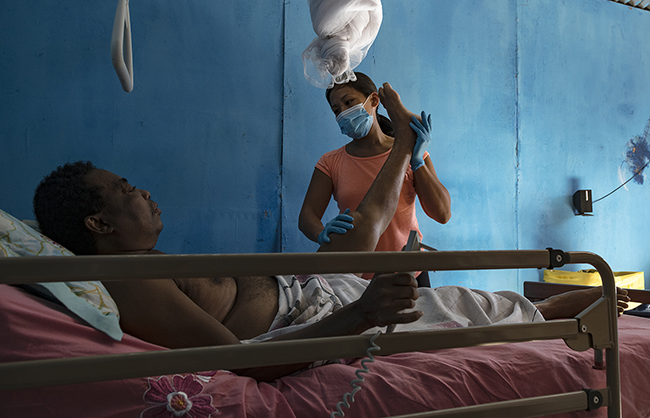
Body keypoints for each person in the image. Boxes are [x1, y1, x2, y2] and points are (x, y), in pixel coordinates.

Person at [33, 84, 629, 383]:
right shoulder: (125, 279)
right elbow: (232, 361)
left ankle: (407, 141)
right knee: (495, 309)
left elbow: (438, 210)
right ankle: (619, 315)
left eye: (353, 101)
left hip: (319, 281)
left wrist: (412, 157)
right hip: (326, 303)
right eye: (126, 188)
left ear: (368, 102)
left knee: (389, 235)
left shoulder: (146, 264)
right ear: (98, 223)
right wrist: (360, 312)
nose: (142, 191)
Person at [298, 72, 451, 283]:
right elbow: (307, 215)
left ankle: (402, 137)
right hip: (357, 275)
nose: (343, 113)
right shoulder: (330, 162)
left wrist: (416, 162)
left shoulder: (413, 154)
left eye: (349, 102)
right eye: (336, 110)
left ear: (374, 100)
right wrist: (321, 233)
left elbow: (442, 214)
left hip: (409, 270)